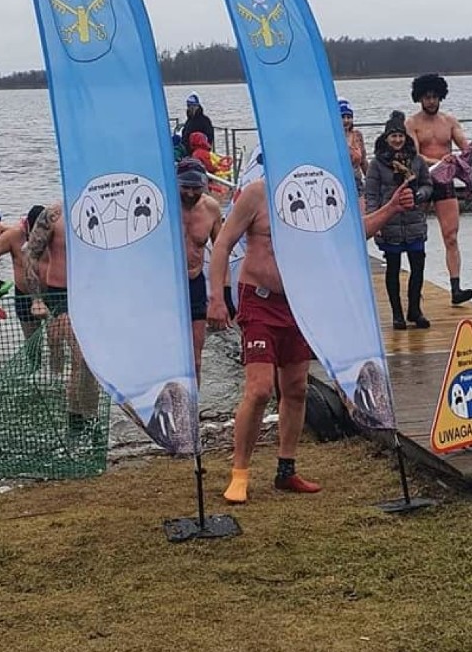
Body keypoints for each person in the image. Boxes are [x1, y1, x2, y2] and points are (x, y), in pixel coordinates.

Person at [207, 177, 415, 505]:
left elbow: (353, 232)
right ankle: (240, 473)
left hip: (302, 303)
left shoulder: (315, 188)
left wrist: (391, 208)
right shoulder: (258, 193)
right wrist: (217, 296)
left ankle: (286, 469)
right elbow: (222, 244)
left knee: (296, 389)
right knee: (260, 389)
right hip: (258, 299)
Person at [24, 204, 99, 438]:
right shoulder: (53, 215)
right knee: (81, 356)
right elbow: (31, 254)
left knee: (92, 363)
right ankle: (77, 422)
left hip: (94, 293)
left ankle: (88, 417)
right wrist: (37, 298)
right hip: (62, 294)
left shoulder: (104, 207)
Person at [405, 73, 472, 305]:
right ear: (420, 98)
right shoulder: (412, 123)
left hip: (444, 181)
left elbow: (464, 147)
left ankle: (456, 288)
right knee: (416, 235)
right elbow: (412, 154)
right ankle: (416, 286)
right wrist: (435, 162)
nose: (431, 101)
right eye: (427, 97)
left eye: (435, 97)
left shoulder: (449, 121)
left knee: (451, 236)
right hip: (423, 180)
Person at [365, 110, 433, 330]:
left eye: (400, 136)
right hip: (390, 221)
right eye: (393, 136)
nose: (397, 140)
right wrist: (376, 221)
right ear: (386, 138)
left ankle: (415, 309)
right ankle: (397, 314)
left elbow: (427, 184)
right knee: (392, 268)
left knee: (418, 265)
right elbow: (372, 194)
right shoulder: (377, 164)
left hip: (413, 219)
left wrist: (420, 195)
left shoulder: (417, 160)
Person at [177, 159, 222, 384]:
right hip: (168, 286)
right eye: (185, 187)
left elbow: (221, 251)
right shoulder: (163, 206)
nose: (191, 192)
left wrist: (222, 293)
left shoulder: (211, 208)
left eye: (196, 187)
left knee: (195, 360)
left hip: (195, 284)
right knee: (170, 356)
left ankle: (191, 412)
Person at [0, 204, 46, 338]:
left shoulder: (54, 233)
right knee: (33, 342)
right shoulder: (14, 235)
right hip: (24, 296)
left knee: (56, 339)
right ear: (27, 226)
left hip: (51, 294)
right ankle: (34, 359)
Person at [338, 98, 367, 204]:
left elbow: (363, 161)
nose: (346, 121)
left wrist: (371, 179)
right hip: (340, 182)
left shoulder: (357, 135)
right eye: (342, 117)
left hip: (357, 182)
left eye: (349, 117)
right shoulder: (332, 137)